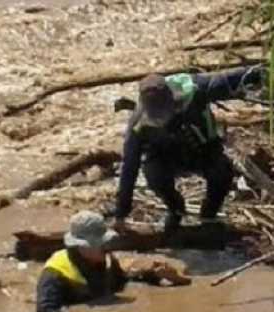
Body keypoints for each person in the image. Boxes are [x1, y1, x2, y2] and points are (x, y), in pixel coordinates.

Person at [107, 66, 266, 233]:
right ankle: (176, 209)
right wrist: (121, 214)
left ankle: (209, 215)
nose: (162, 119)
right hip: (166, 157)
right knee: (153, 175)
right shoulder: (138, 125)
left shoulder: (195, 89)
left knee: (222, 172)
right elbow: (129, 167)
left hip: (203, 150)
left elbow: (230, 79)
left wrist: (259, 74)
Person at [35, 210, 190, 312]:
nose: (107, 247)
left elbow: (123, 282)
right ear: (81, 246)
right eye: (101, 244)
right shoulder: (55, 274)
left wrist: (161, 278)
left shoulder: (107, 260)